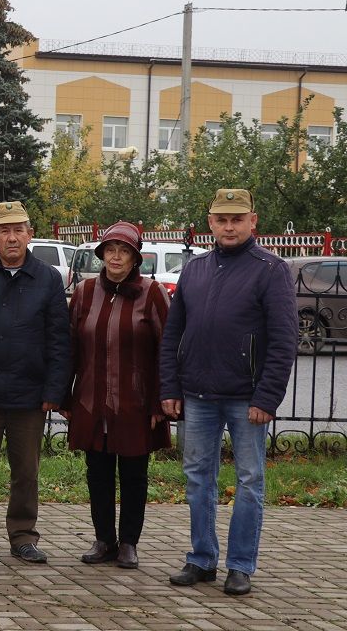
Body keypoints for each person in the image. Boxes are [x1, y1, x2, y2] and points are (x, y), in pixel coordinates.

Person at [160, 189, 297, 596]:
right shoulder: (196, 269)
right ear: (211, 223)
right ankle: (201, 559)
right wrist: (171, 386)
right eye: (222, 220)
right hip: (198, 394)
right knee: (198, 478)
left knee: (250, 479)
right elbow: (173, 335)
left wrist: (266, 397)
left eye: (238, 219)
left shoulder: (270, 270)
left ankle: (240, 565)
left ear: (253, 221)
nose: (230, 226)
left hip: (246, 397)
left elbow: (284, 339)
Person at [0, 201, 70, 564]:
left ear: (30, 234)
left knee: (26, 471)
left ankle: (23, 536)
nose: (12, 237)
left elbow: (59, 339)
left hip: (30, 394)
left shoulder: (48, 278)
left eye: (19, 229)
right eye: (4, 230)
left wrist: (54, 389)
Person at [64, 221, 171, 569]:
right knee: (97, 471)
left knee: (134, 473)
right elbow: (70, 348)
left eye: (124, 251)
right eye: (110, 250)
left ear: (135, 257)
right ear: (101, 255)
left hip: (135, 401)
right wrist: (66, 397)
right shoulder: (85, 291)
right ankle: (104, 540)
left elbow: (166, 350)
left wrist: (160, 400)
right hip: (92, 399)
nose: (116, 257)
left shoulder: (151, 292)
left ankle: (128, 543)